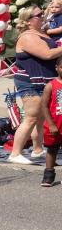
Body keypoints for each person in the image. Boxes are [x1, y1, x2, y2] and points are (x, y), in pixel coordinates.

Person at [8, 6, 62, 164]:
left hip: (41, 81)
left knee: (39, 117)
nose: (43, 14)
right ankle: (15, 153)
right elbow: (46, 54)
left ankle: (38, 149)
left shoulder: (40, 33)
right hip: (29, 82)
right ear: (29, 21)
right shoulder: (27, 36)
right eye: (39, 14)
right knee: (31, 117)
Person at [40, 57, 62, 186]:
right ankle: (48, 176)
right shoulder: (51, 86)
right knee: (52, 150)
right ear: (57, 68)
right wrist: (51, 124)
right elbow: (44, 106)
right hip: (54, 125)